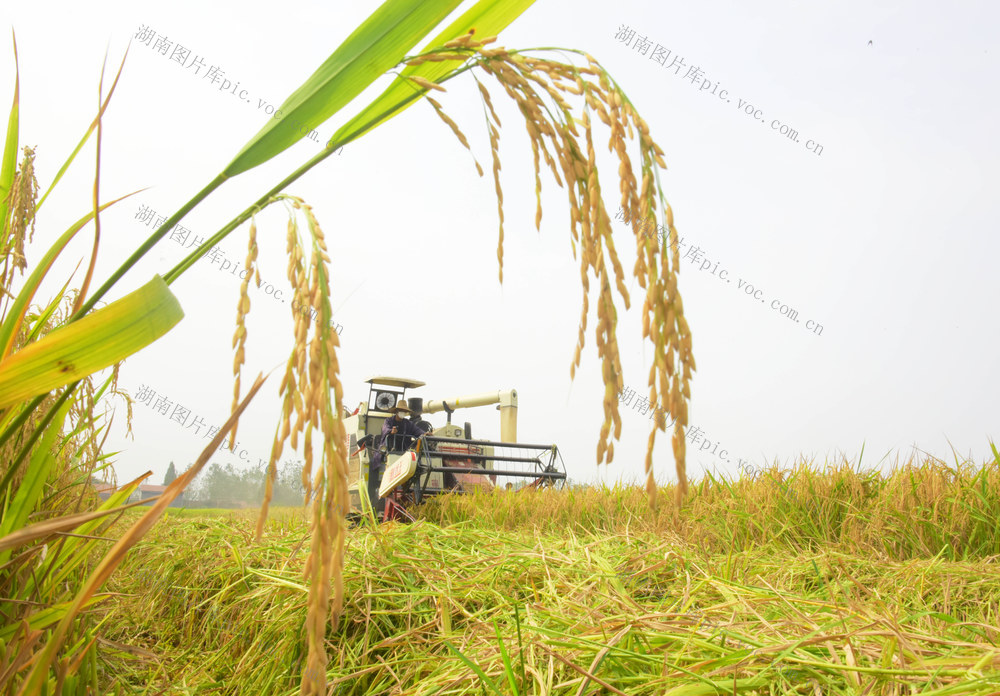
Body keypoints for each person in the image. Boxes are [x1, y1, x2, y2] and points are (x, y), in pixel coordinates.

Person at [368, 400, 430, 517]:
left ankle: (407, 492)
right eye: (401, 411)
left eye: (404, 411)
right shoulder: (389, 421)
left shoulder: (408, 424)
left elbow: (417, 432)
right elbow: (385, 430)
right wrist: (391, 431)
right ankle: (373, 496)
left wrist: (424, 434)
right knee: (374, 464)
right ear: (396, 412)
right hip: (389, 450)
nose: (402, 413)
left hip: (404, 452)